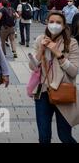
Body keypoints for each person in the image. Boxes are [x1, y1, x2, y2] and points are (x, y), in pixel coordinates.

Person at [29, 11, 79, 143]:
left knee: (64, 136)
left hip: (63, 91)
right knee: (44, 136)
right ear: (47, 23)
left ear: (63, 26)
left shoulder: (71, 43)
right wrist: (41, 49)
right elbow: (33, 66)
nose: (54, 25)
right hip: (43, 91)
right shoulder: (40, 39)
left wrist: (57, 53)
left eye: (58, 22)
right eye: (51, 22)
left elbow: (74, 71)